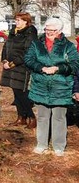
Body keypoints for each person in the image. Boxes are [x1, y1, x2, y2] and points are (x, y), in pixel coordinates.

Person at [24, 17, 79, 156]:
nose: (49, 32)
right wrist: (41, 68)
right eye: (47, 29)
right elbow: (28, 60)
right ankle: (41, 144)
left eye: (52, 30)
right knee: (42, 116)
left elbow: (75, 64)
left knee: (59, 117)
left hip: (61, 87)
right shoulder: (37, 44)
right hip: (40, 86)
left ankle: (58, 146)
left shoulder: (68, 46)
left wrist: (58, 68)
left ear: (59, 31)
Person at [0, 13, 38, 129]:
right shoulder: (13, 32)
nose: (16, 22)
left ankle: (31, 117)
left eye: (19, 20)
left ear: (26, 22)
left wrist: (12, 63)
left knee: (21, 93)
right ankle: (21, 117)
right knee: (15, 93)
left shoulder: (30, 33)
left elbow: (27, 52)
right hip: (9, 66)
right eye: (16, 20)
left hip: (21, 66)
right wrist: (4, 60)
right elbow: (5, 47)